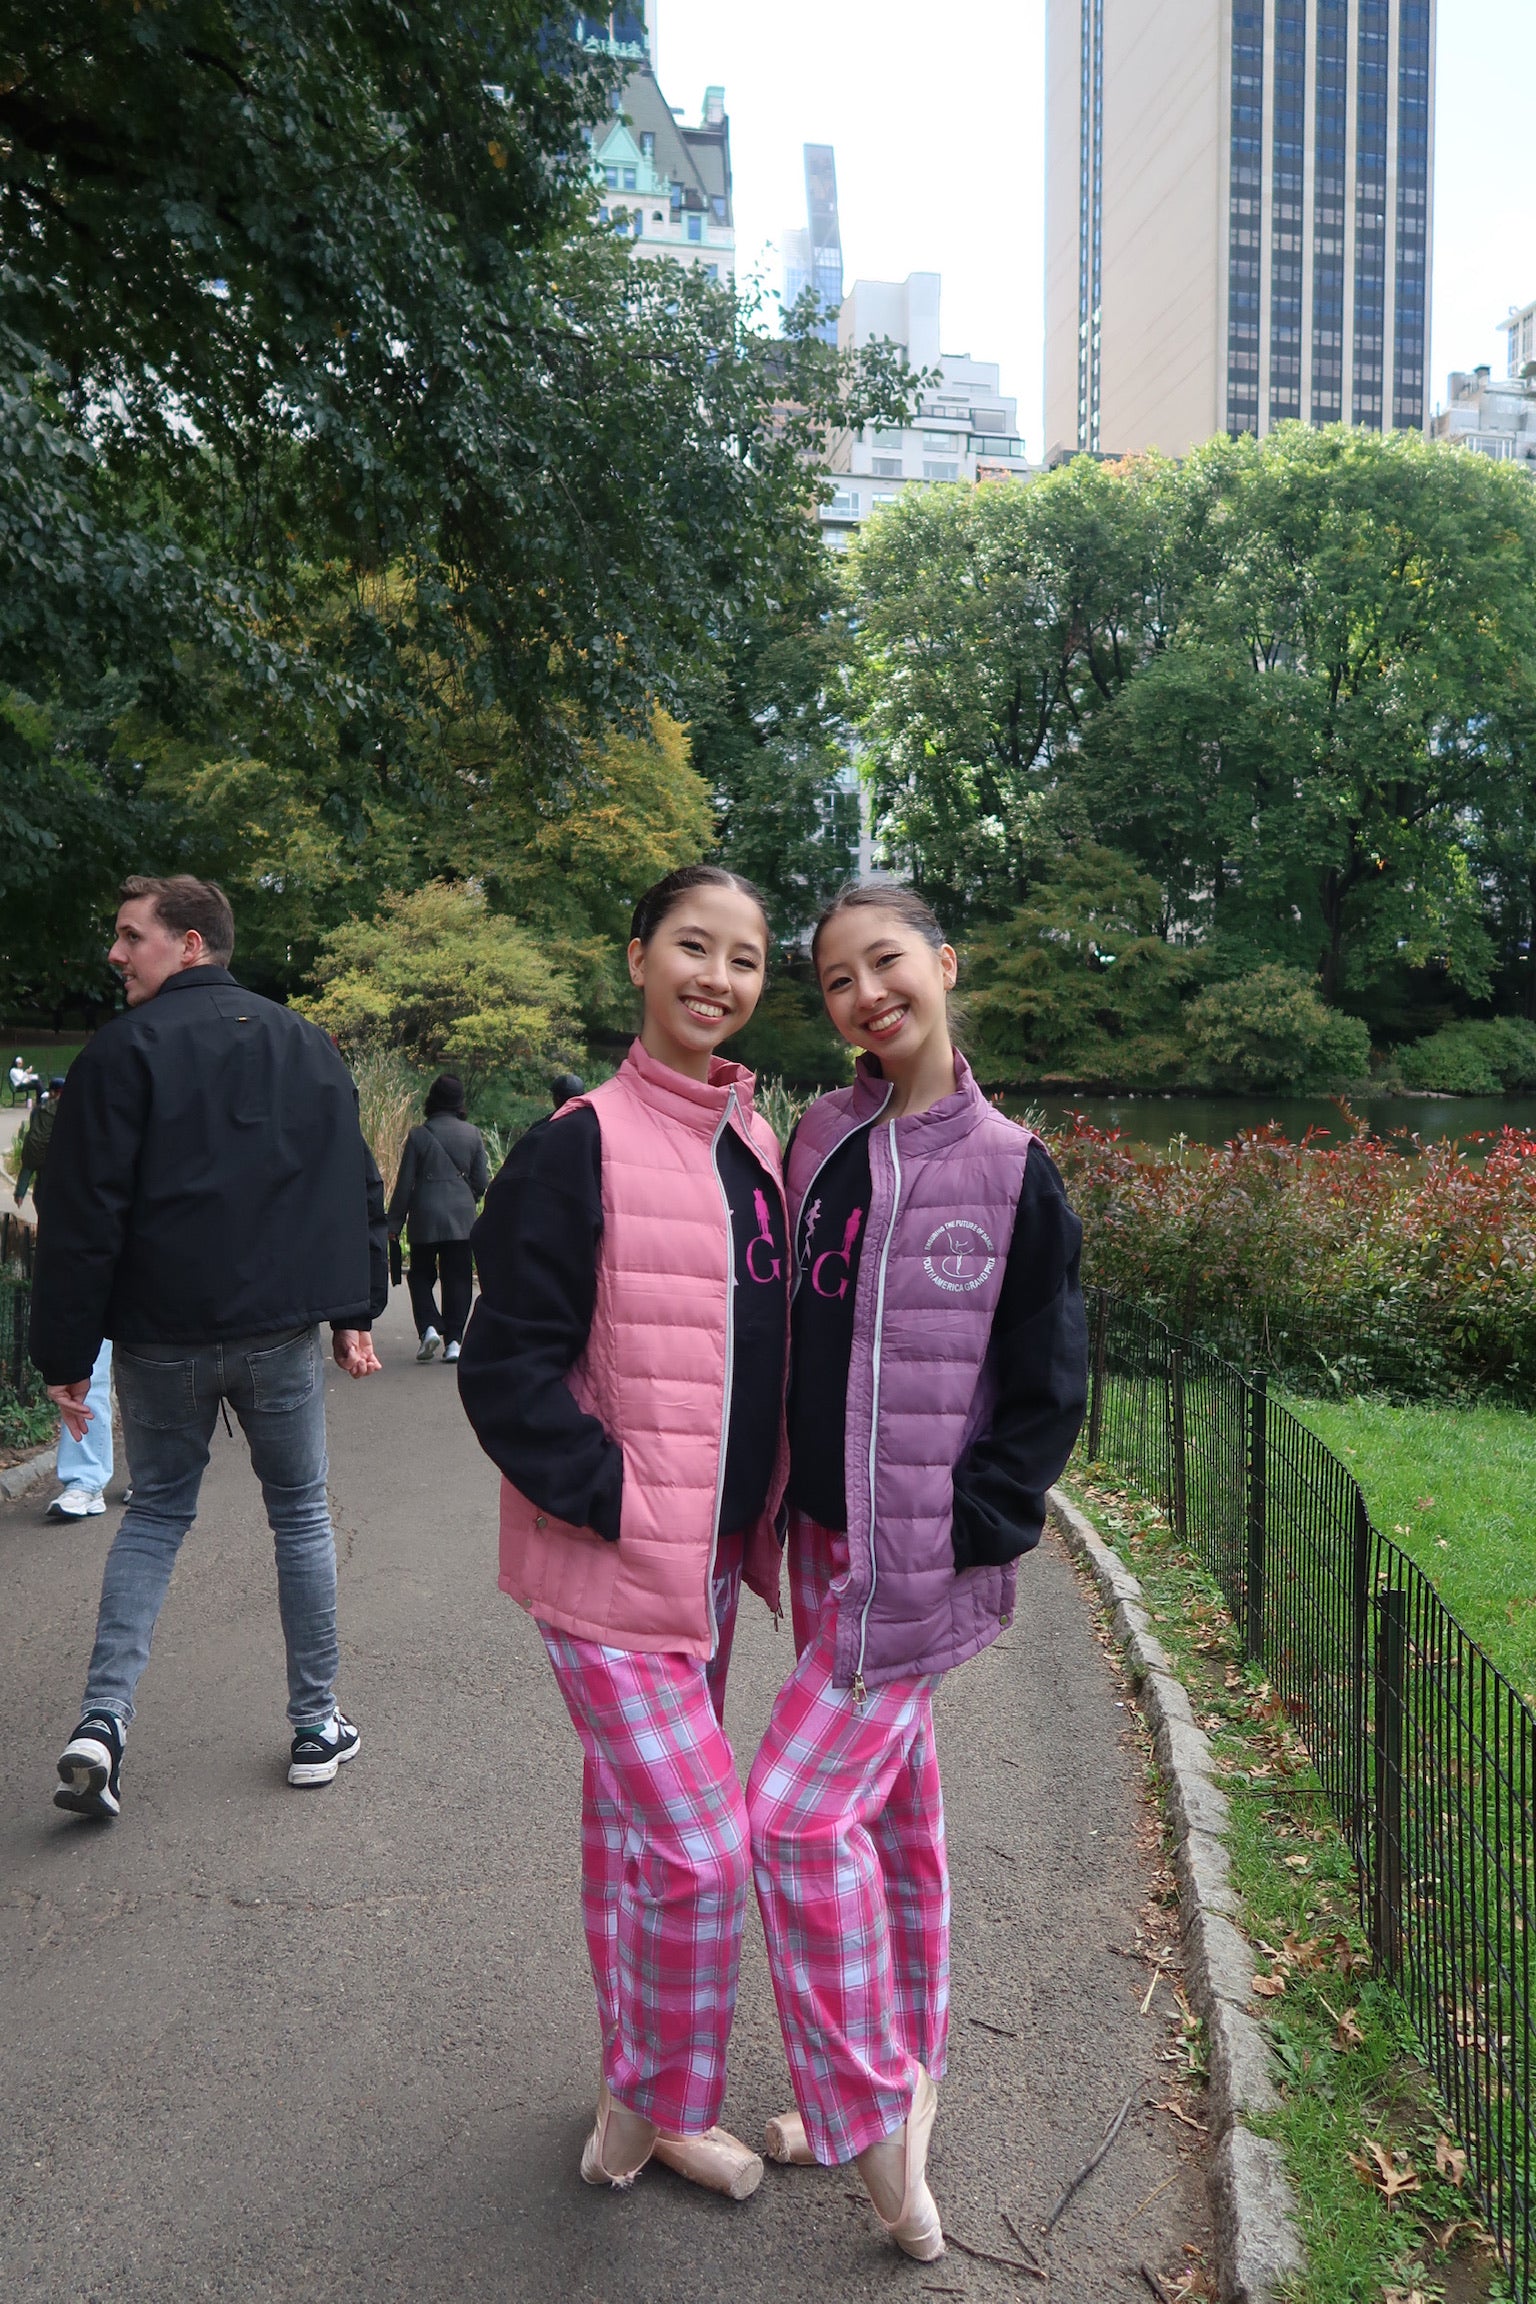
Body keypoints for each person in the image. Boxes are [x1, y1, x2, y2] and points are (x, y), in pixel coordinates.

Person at [746, 884, 1088, 2262]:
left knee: (788, 1820)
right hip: (820, 1545)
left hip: (916, 1567)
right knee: (896, 1818)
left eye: (886, 962)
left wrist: (970, 1529)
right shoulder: (821, 1136)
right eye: (837, 980)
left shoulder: (1012, 1165)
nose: (866, 994)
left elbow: (1048, 1380)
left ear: (943, 965)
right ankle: (916, 2059)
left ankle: (872, 2112)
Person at [457, 864, 789, 2203]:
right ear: (638, 955)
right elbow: (505, 1367)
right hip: (610, 1567)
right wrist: (617, 1499)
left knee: (630, 1835)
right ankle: (664, 2098)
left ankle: (626, 2091)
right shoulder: (576, 1144)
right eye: (693, 947)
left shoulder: (755, 1143)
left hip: (708, 1569)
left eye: (746, 958)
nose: (719, 977)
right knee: (705, 1853)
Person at [29, 874, 388, 1821]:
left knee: (154, 1516)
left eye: (130, 935)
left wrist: (64, 1353)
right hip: (277, 1334)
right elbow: (352, 1180)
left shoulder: (118, 1053)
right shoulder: (305, 1044)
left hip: (159, 1339)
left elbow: (81, 1215)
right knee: (300, 1516)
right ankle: (316, 1725)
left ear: (190, 943)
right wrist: (354, 1310)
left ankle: (102, 1722)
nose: (115, 953)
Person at [386, 1073, 489, 1364]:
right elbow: (482, 1181)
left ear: (432, 1099)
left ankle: (429, 1326)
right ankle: (454, 1341)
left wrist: (394, 1223)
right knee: (458, 1277)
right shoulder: (472, 1134)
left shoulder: (419, 1135)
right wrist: (466, 1196)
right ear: (459, 1101)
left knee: (420, 1274)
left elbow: (405, 1183)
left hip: (425, 1215)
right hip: (461, 1217)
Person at [14, 1075, 64, 1205]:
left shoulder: (39, 1107)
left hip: (31, 1145)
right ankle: (41, 1205)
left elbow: (33, 1122)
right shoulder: (61, 1109)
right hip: (46, 1150)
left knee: (27, 1169)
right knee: (43, 1181)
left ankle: (19, 1195)